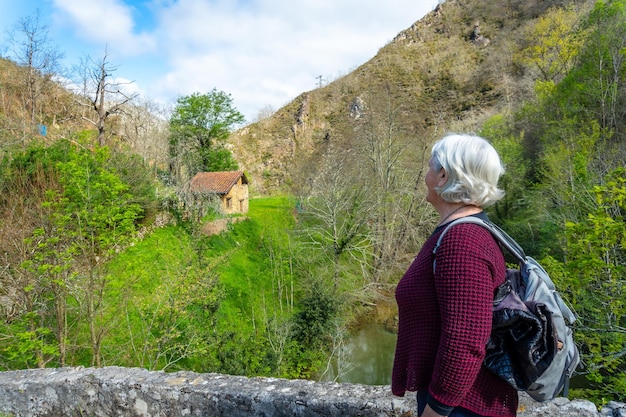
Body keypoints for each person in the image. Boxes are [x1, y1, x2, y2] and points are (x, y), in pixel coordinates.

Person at [391, 133, 518, 417]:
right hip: (461, 403)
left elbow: (466, 340)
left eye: (429, 166)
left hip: (463, 407)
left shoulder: (462, 240)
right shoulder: (461, 231)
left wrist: (435, 411)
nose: (424, 175)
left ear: (443, 175)